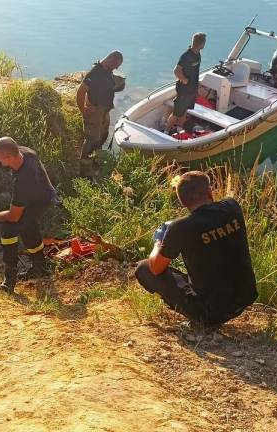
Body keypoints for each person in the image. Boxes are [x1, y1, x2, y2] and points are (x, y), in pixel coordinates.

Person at [134, 171, 257, 327]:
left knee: (143, 268)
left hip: (210, 313)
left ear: (182, 202)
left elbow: (155, 268)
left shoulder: (180, 227)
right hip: (246, 297)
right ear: (210, 192)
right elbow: (210, 222)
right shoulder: (232, 207)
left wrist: (158, 243)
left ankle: (199, 317)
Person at [0, 137, 56, 292]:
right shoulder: (25, 152)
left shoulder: (23, 182)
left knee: (8, 229)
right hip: (43, 193)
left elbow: (13, 216)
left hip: (40, 201)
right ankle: (40, 268)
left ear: (9, 157)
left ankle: (9, 280)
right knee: (27, 226)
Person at [76, 51, 123, 179]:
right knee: (91, 139)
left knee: (102, 136)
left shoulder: (107, 71)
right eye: (116, 65)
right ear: (112, 60)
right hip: (95, 112)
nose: (116, 68)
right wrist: (83, 109)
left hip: (104, 111)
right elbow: (80, 92)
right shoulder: (94, 73)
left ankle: (95, 161)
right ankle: (84, 171)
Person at [165, 33, 206, 134]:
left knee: (185, 110)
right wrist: (185, 80)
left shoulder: (198, 54)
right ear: (201, 43)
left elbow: (194, 70)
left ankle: (180, 129)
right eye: (204, 42)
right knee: (177, 113)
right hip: (184, 89)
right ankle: (166, 131)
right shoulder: (186, 56)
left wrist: (196, 84)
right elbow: (176, 70)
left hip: (192, 89)